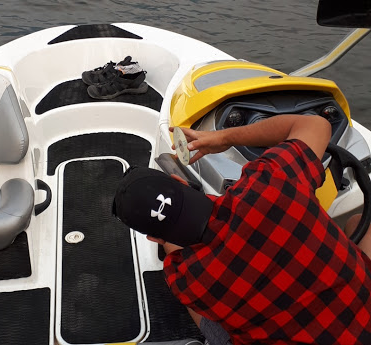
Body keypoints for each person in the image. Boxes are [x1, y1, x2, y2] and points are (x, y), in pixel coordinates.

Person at [112, 114, 371, 345]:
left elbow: (175, 251)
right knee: (358, 221)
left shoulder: (187, 279)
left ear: (154, 238)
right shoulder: (273, 182)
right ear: (179, 180)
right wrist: (223, 138)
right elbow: (317, 124)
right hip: (364, 318)